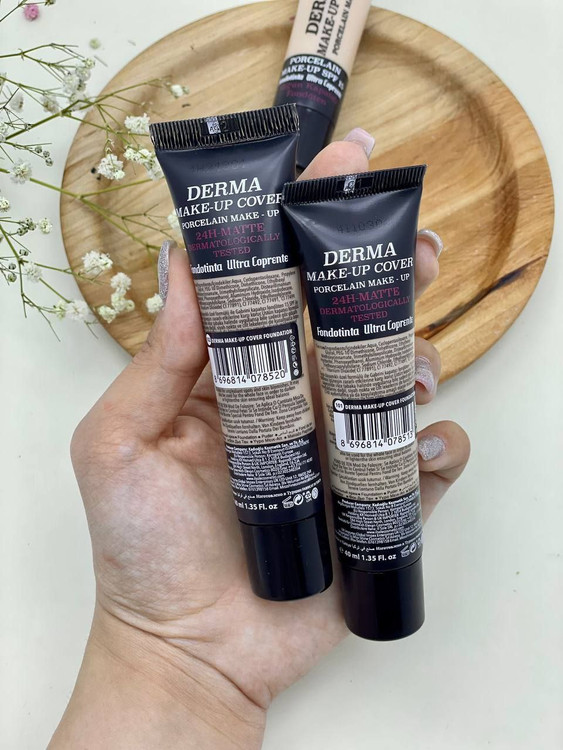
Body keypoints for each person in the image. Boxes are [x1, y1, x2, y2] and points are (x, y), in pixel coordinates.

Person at [49, 132, 470, 749]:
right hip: (251, 503)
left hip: (323, 509)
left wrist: (178, 666)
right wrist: (171, 654)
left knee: (386, 392)